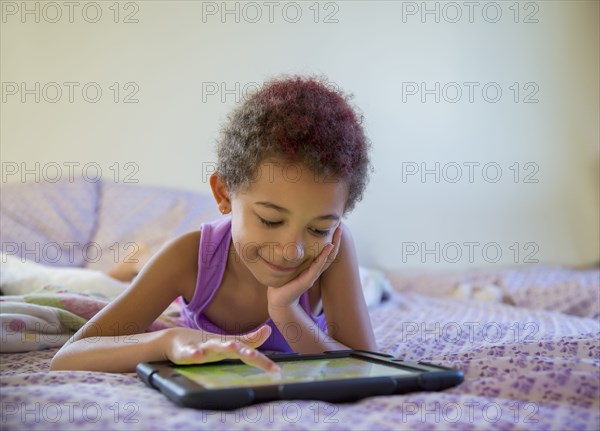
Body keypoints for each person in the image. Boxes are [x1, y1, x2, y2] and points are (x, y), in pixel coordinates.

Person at [51, 75, 376, 374]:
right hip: (185, 267)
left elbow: (364, 368)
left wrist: (286, 309)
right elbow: (70, 356)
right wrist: (166, 341)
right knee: (114, 280)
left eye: (318, 229)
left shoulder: (334, 248)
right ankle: (128, 268)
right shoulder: (186, 259)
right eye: (270, 219)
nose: (292, 250)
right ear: (223, 194)